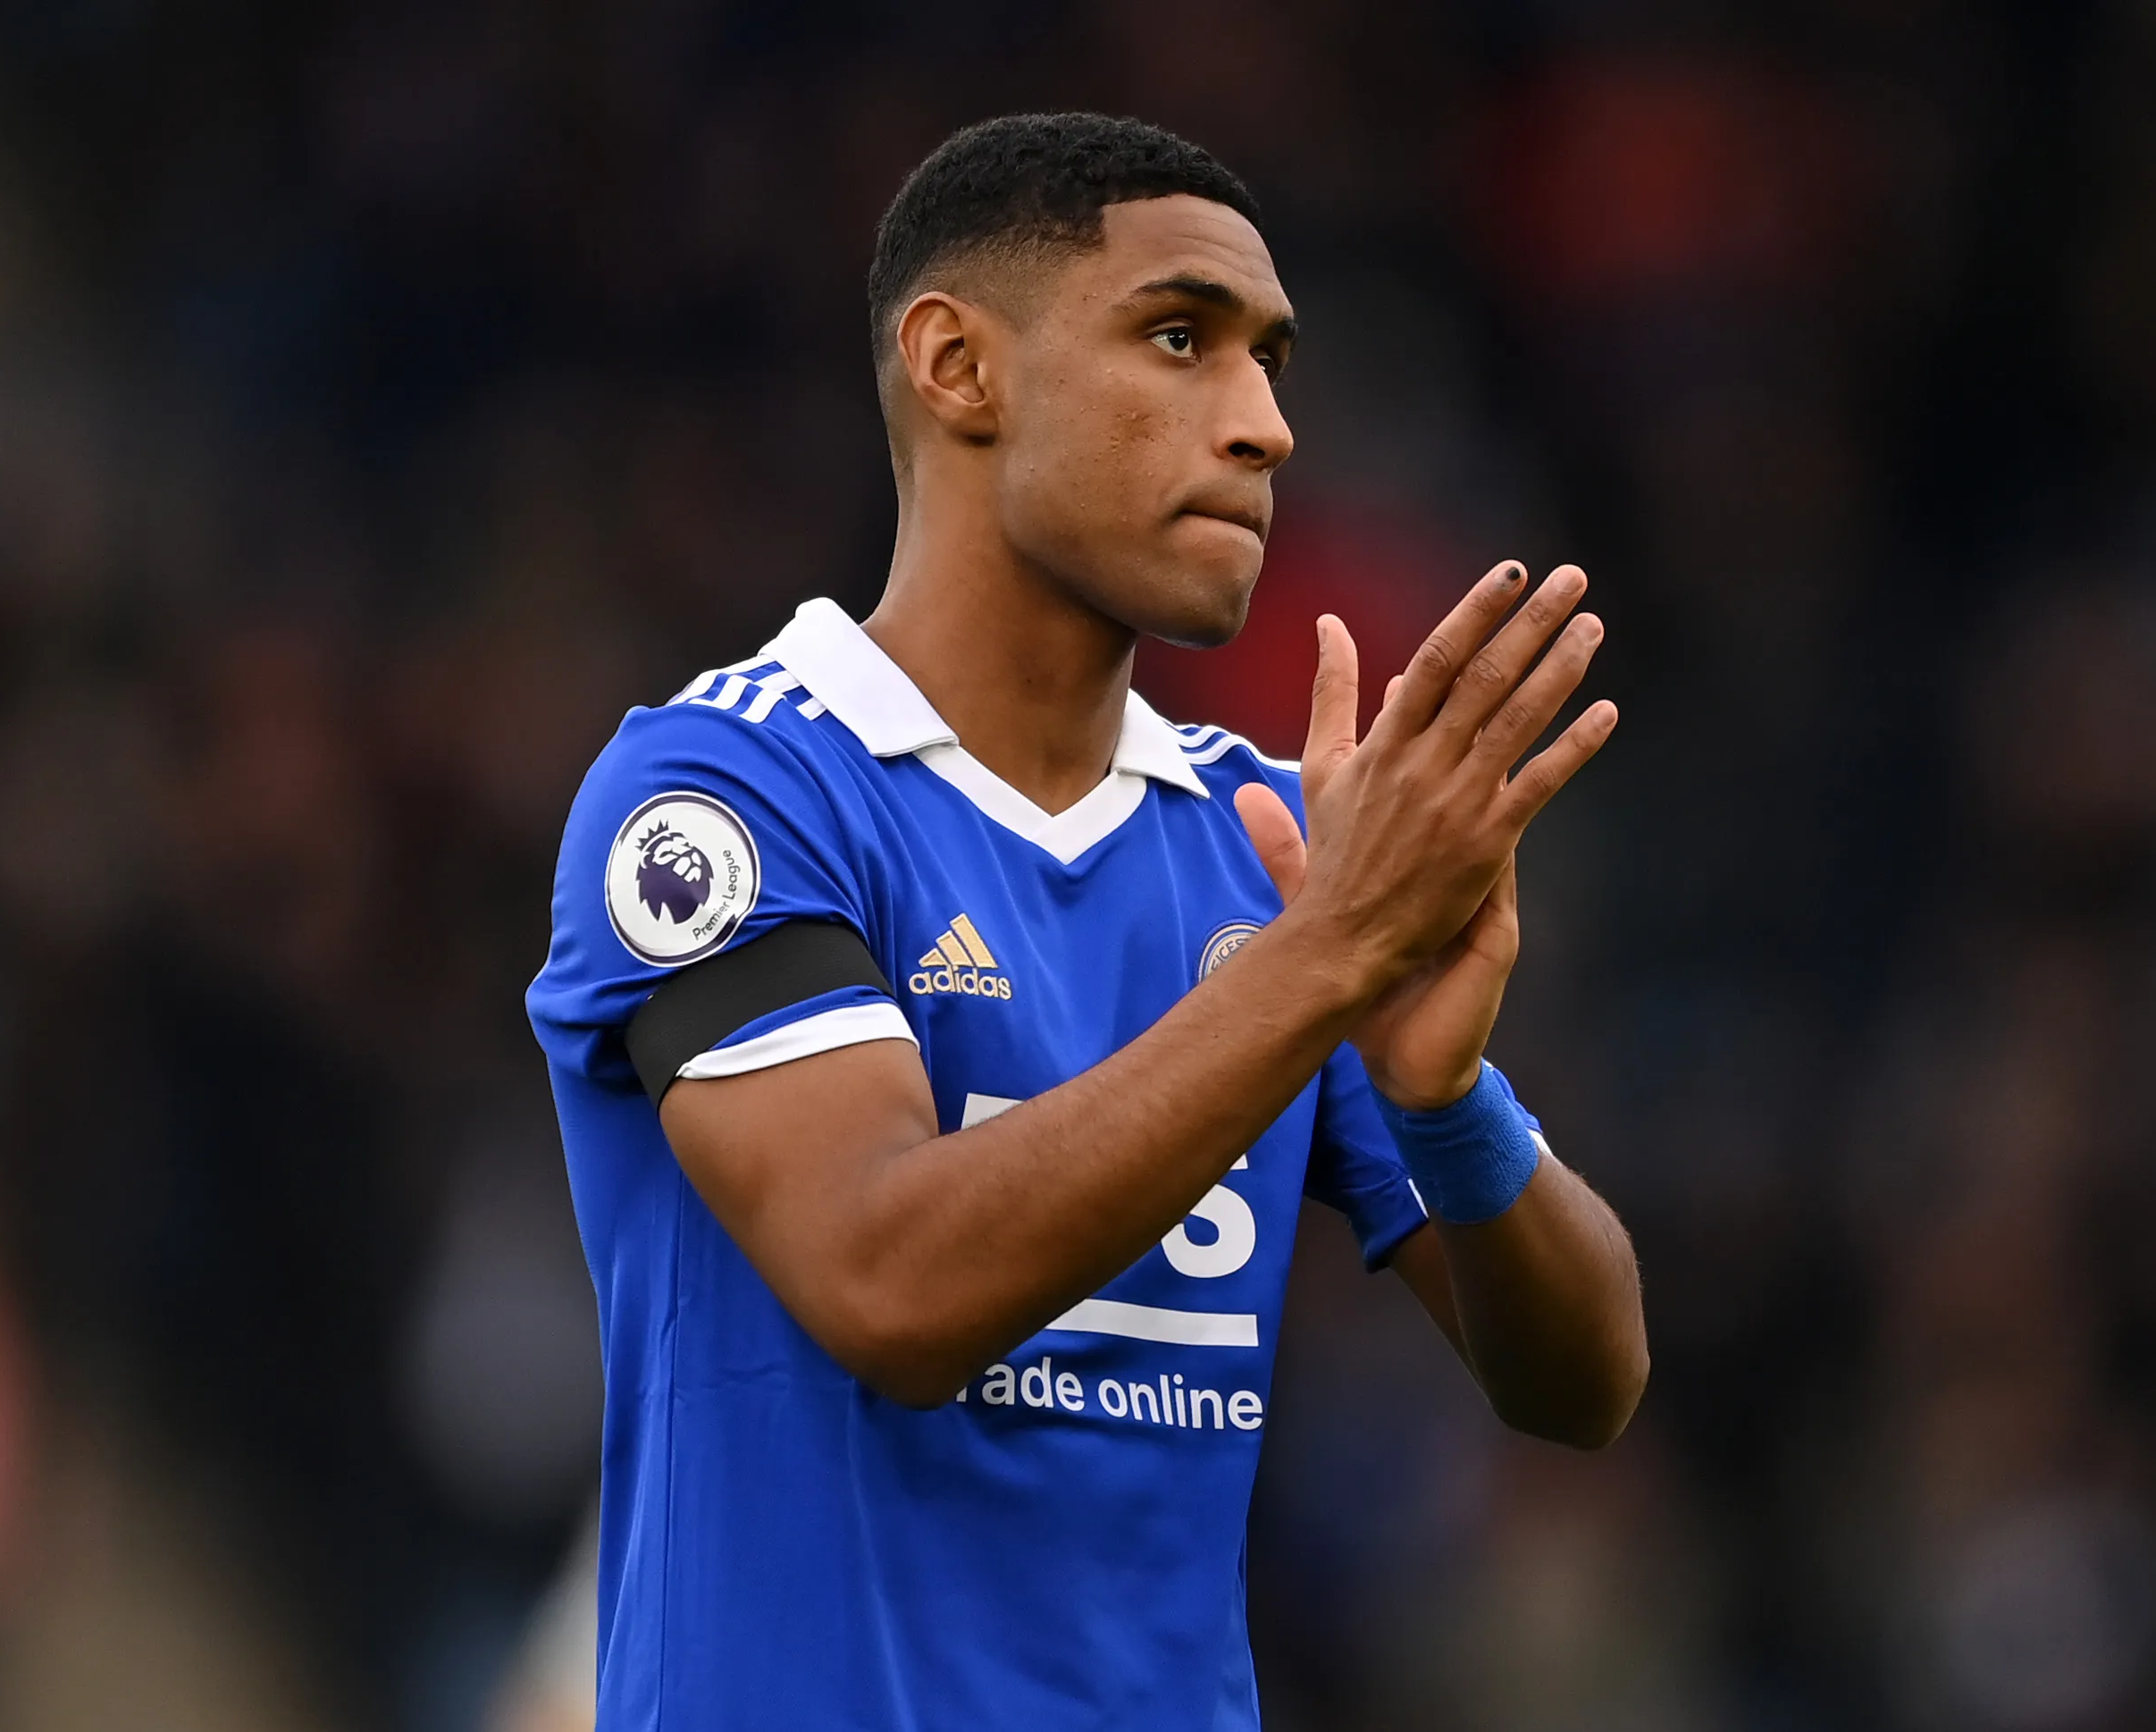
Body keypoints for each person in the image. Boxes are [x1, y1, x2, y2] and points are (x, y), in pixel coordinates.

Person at [526, 112, 1648, 1729]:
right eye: (1180, 338)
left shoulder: (1258, 841)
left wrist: (1441, 1095)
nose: (1262, 423)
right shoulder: (728, 791)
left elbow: (1585, 1383)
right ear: (957, 366)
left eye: (1271, 361)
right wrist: (1324, 960)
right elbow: (884, 1282)